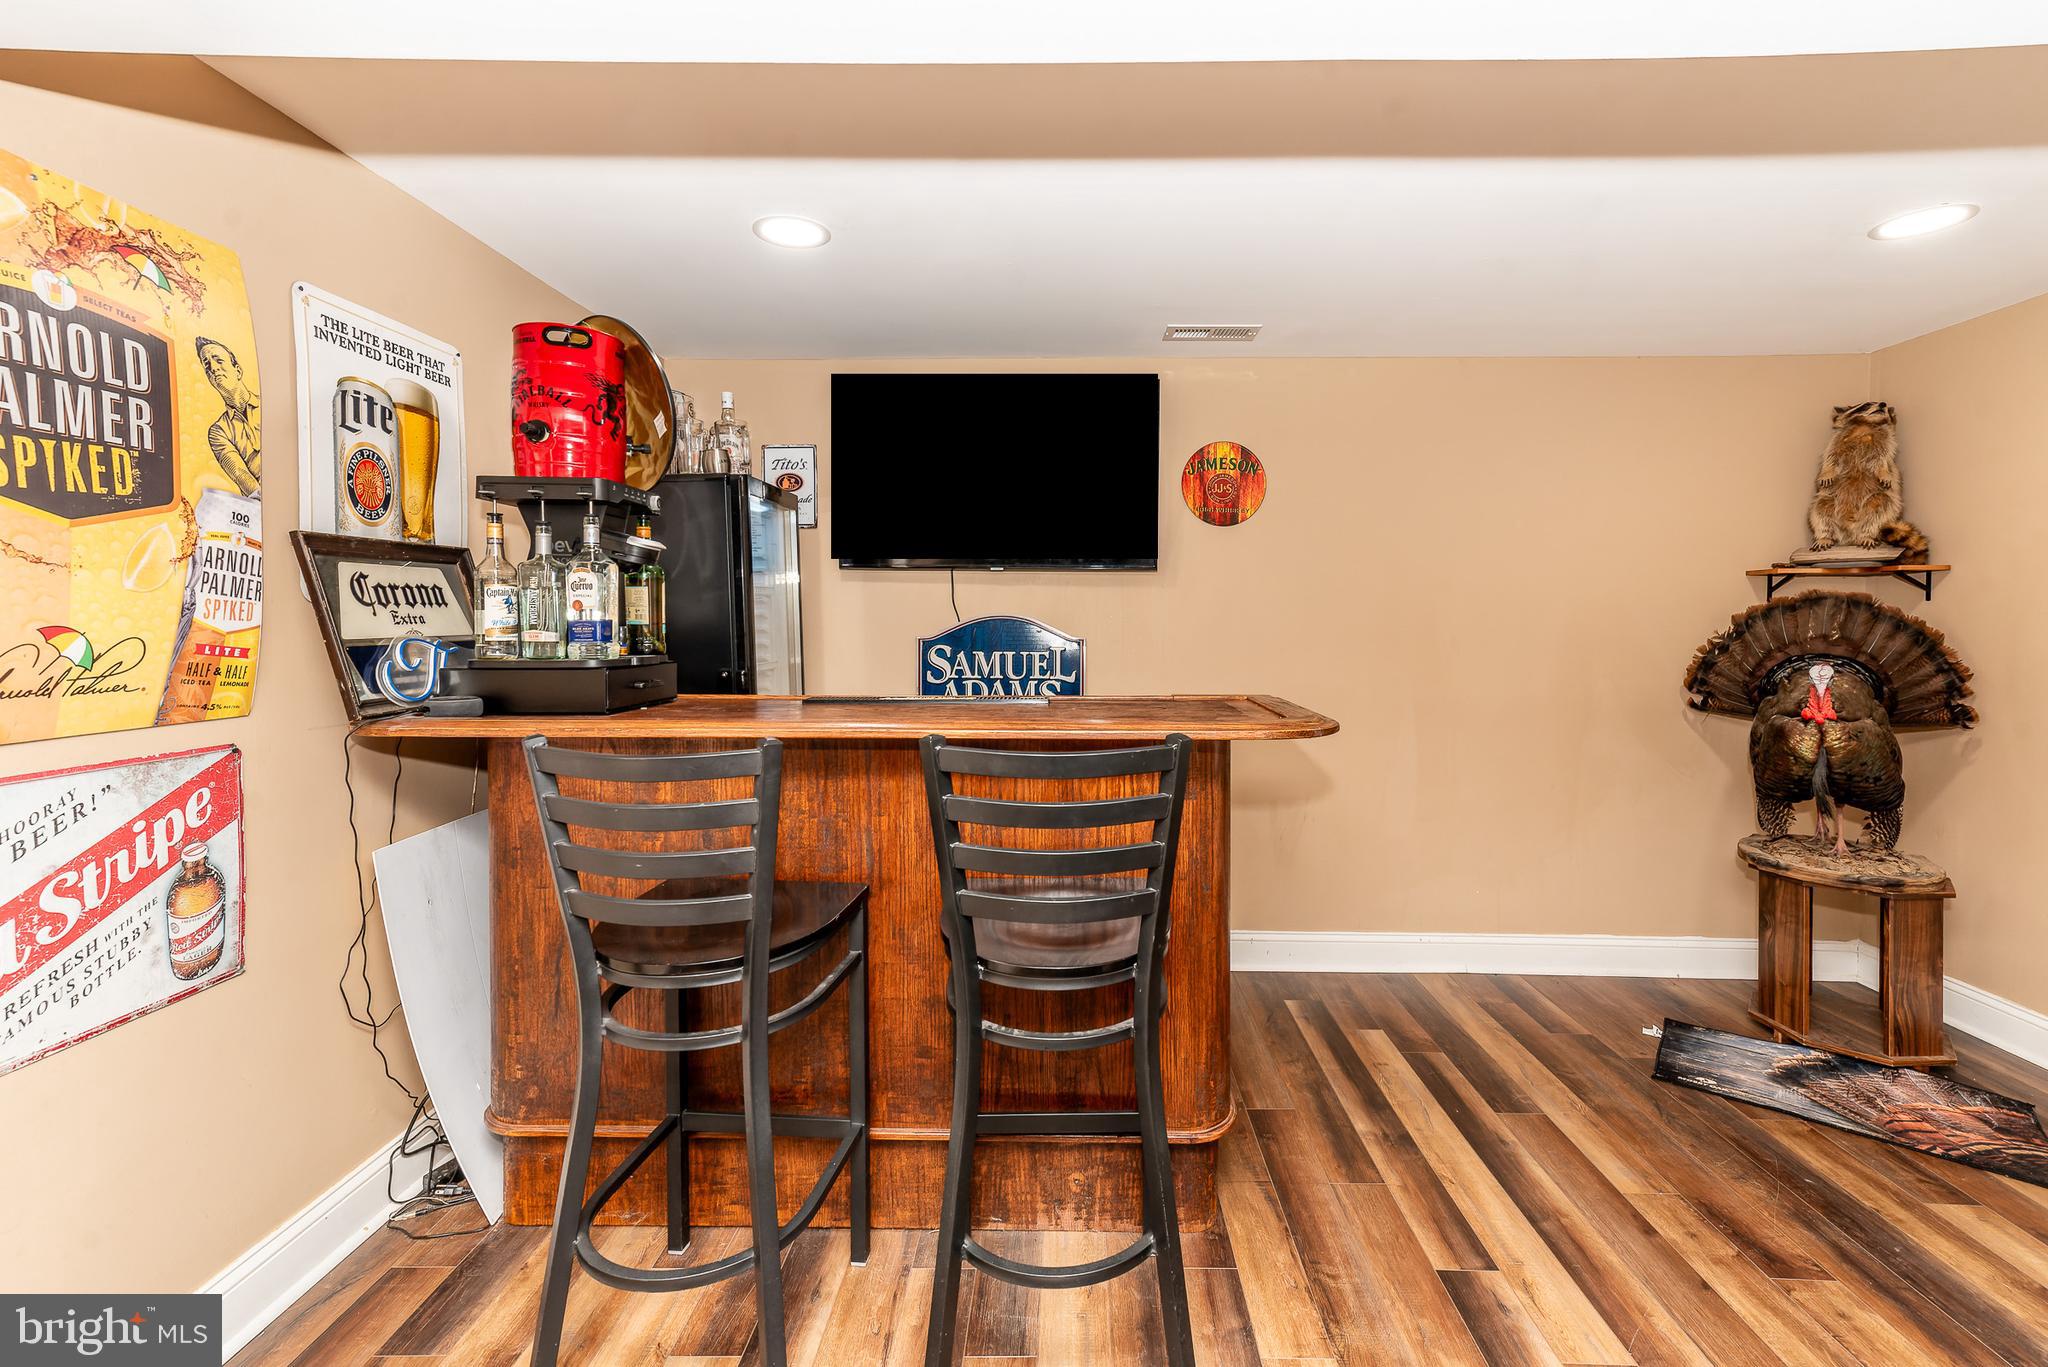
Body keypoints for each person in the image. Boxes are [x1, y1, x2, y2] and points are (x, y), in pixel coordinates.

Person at [195, 335, 259, 495]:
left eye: (219, 360)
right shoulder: (218, 431)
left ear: (237, 371)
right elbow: (239, 474)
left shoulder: (270, 405)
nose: (213, 368)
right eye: (207, 365)